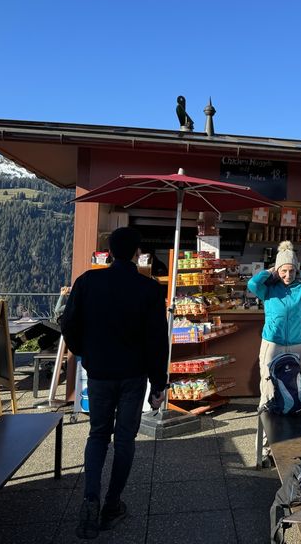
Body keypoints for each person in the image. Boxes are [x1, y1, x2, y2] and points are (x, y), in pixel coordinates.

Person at [61, 227, 169, 540]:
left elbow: (67, 323)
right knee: (124, 439)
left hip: (99, 373)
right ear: (138, 253)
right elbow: (156, 341)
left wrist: (84, 351)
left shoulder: (87, 281)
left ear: (109, 251)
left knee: (97, 435)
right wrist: (158, 384)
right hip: (134, 376)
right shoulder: (149, 289)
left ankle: (89, 499)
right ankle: (112, 504)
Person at [247, 240, 301, 464]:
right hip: (272, 344)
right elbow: (253, 283)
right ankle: (264, 450)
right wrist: (270, 271)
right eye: (284, 270)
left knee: (297, 389)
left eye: (292, 270)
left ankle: (293, 445)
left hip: (298, 344)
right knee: (268, 391)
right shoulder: (268, 289)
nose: (288, 275)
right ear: (278, 270)